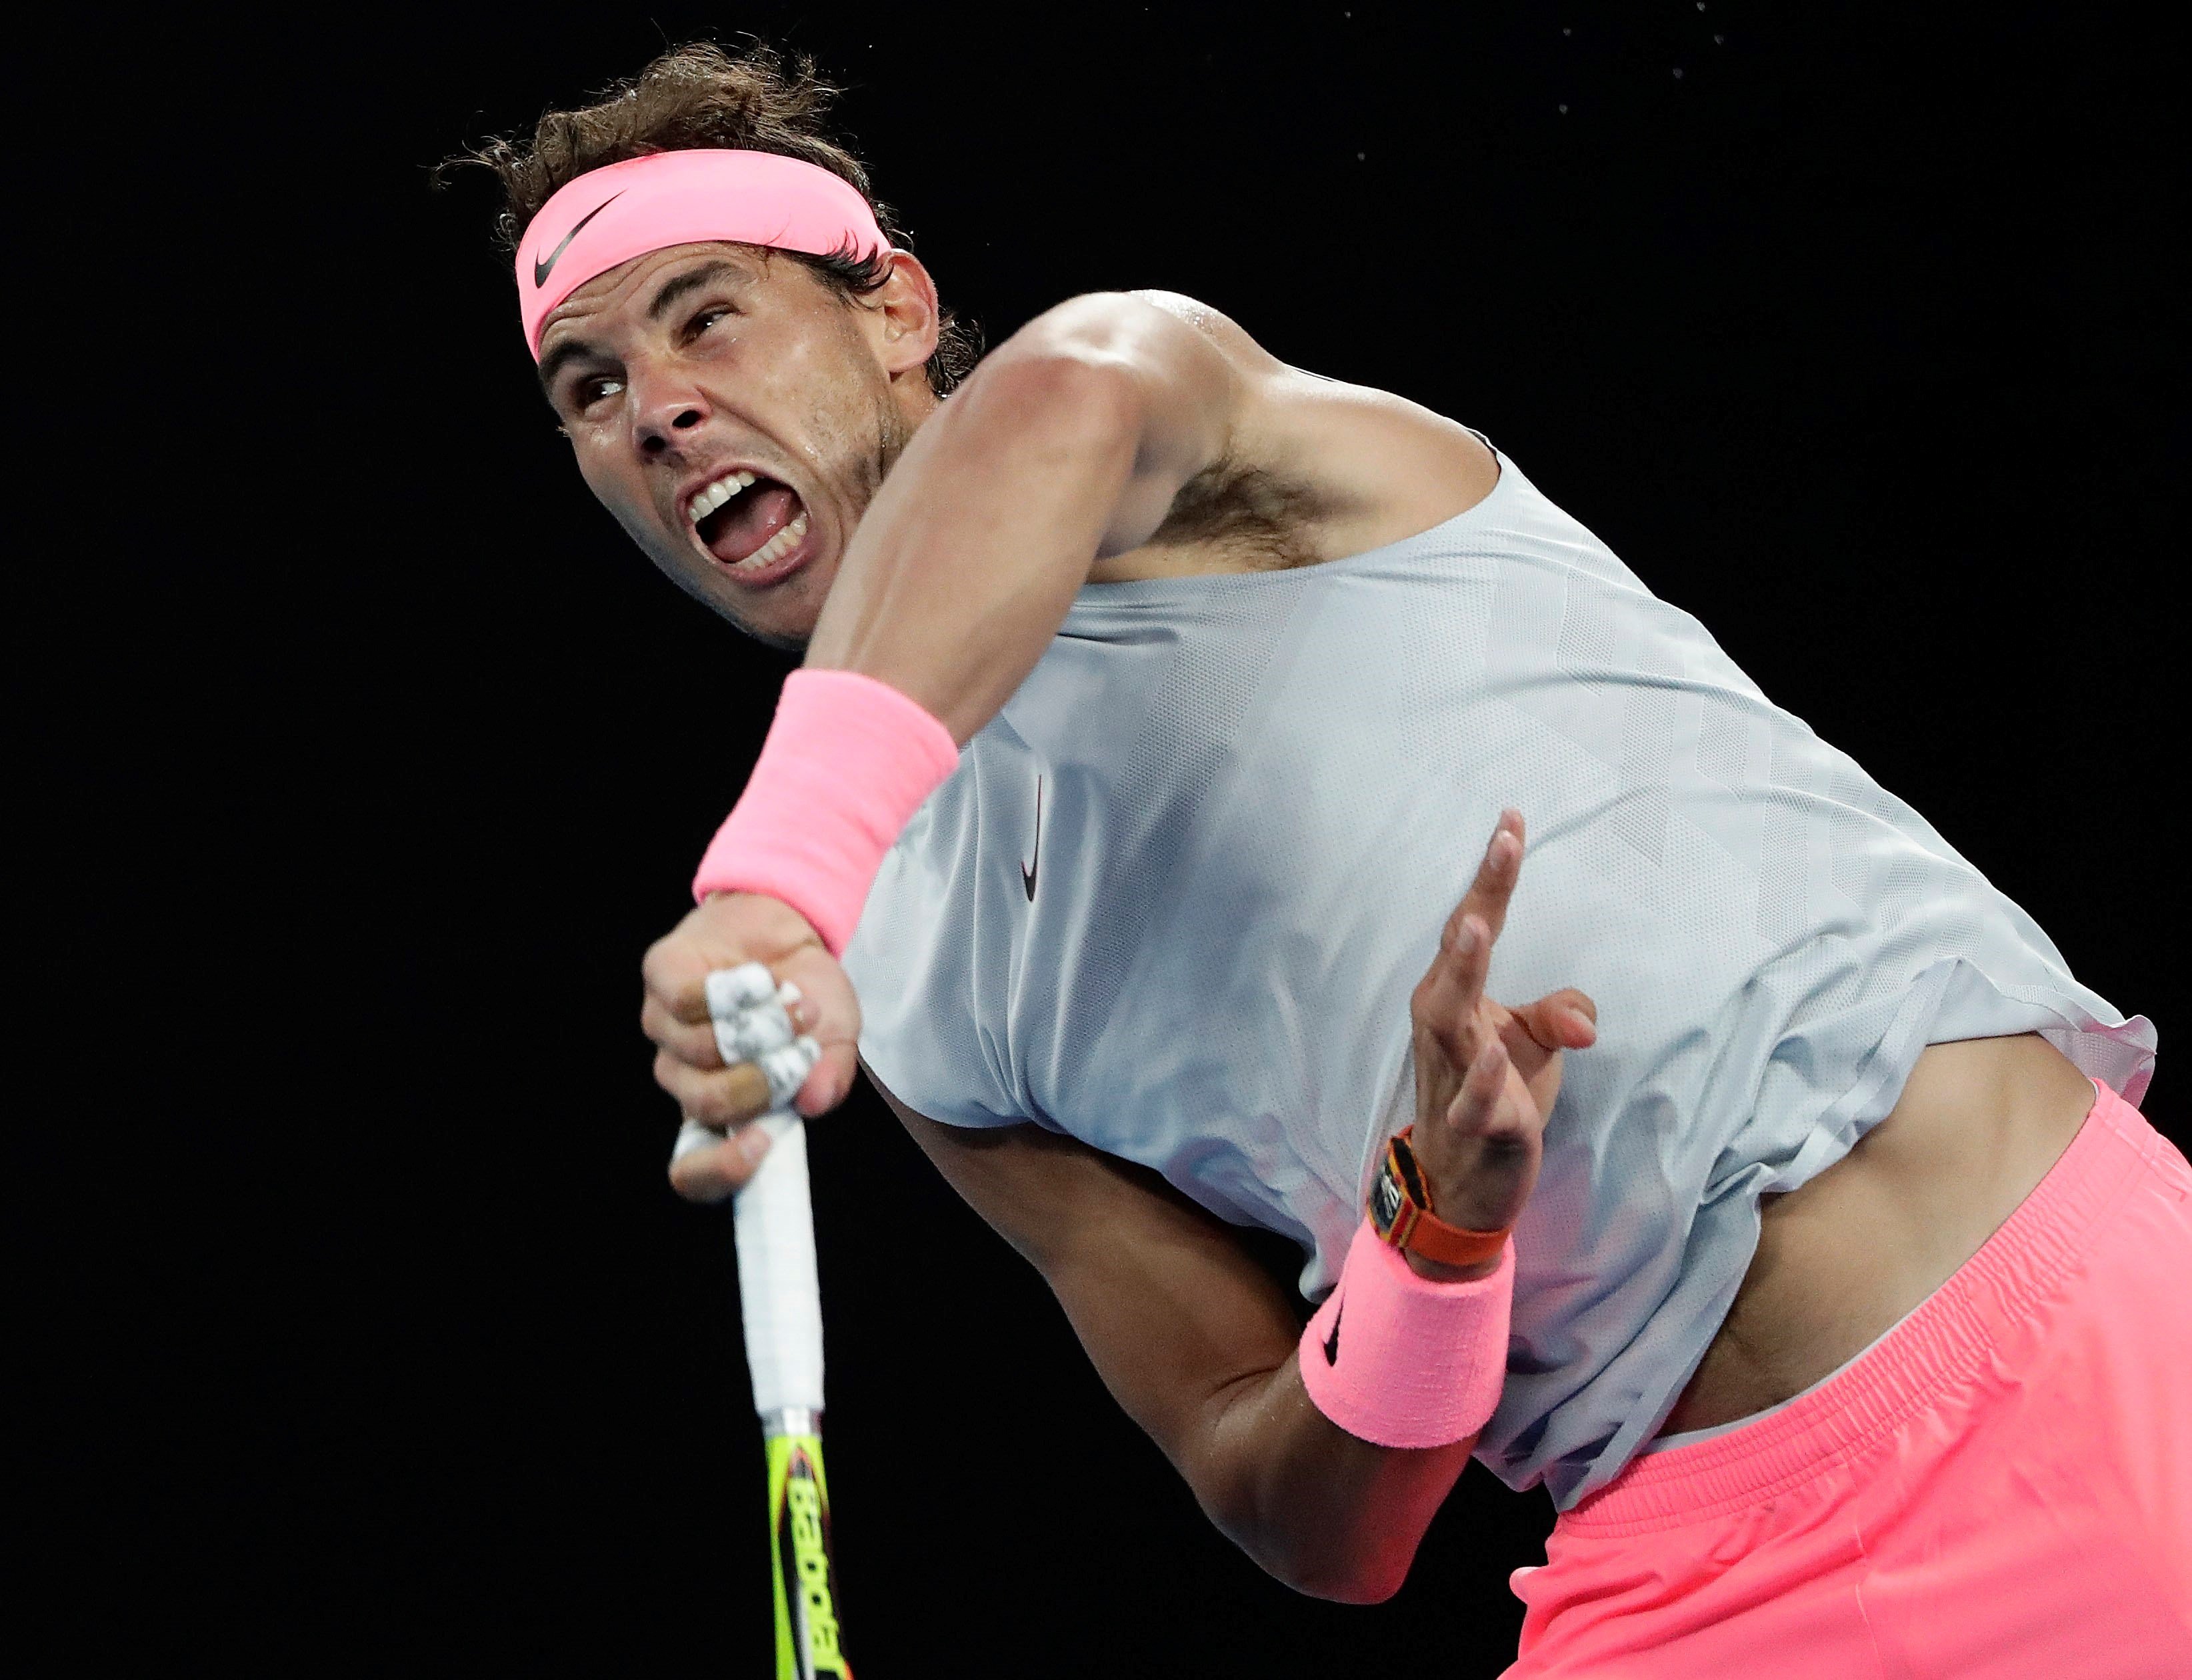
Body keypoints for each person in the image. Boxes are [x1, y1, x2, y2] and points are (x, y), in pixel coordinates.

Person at [451, 41, 2182, 1675]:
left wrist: (777, 876)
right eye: (590, 391)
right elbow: (1302, 1514)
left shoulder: (1172, 414)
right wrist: (1428, 1238)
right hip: (1696, 1578)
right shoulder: (901, 992)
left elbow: (1062, 409)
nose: (661, 409)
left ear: (893, 304)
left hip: (2073, 1356)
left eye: (712, 323)